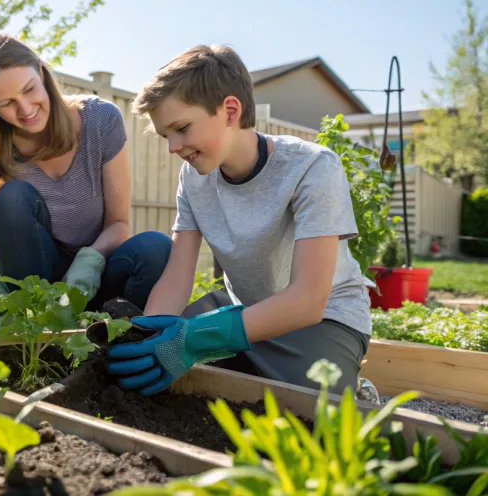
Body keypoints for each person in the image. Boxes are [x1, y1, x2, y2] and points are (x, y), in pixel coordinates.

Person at [105, 44, 372, 396]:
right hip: (242, 310)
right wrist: (150, 335)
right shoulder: (194, 176)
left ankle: (355, 385)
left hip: (324, 318)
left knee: (313, 400)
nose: (172, 147)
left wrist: (203, 337)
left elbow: (308, 299)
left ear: (230, 111)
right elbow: (177, 274)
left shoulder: (312, 167)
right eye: (165, 135)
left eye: (181, 128)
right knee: (166, 364)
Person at [0, 32, 171, 311]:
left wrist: (90, 262)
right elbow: (19, 237)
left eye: (29, 89)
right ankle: (35, 320)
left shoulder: (99, 120)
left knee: (156, 248)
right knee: (12, 197)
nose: (26, 109)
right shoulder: (1, 152)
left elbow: (118, 224)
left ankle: (113, 337)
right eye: (7, 103)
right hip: (42, 284)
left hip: (100, 272)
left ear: (41, 72)